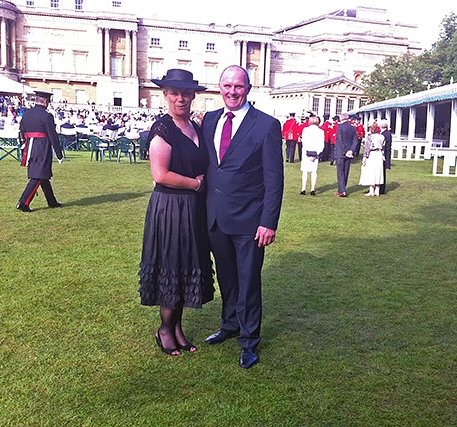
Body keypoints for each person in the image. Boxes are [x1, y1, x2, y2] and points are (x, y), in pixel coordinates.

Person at [202, 65, 284, 369]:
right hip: (216, 219)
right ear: (219, 88)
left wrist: (269, 222)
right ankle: (230, 324)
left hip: (250, 222)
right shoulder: (209, 120)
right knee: (227, 278)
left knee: (249, 281)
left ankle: (249, 340)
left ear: (248, 88)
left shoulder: (266, 125)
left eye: (238, 86)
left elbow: (274, 179)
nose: (232, 92)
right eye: (227, 86)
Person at [137, 69, 214, 356]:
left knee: (185, 267)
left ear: (193, 95)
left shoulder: (195, 127)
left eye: (185, 93)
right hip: (170, 208)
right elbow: (160, 174)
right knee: (172, 266)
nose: (180, 98)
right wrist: (195, 184)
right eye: (174, 92)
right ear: (166, 95)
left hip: (192, 209)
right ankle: (165, 331)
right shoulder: (164, 128)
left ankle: (178, 328)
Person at [16, 90, 64, 212]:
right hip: (41, 147)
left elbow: (21, 130)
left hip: (29, 146)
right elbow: (53, 136)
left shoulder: (27, 113)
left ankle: (51, 201)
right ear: (46, 102)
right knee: (38, 175)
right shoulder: (47, 116)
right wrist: (59, 154)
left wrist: (23, 145)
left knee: (43, 175)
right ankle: (23, 203)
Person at [333, 112, 359, 197]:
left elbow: (340, 140)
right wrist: (351, 150)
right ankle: (342, 189)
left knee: (340, 172)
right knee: (346, 172)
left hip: (341, 152)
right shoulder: (352, 128)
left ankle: (342, 191)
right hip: (349, 153)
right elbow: (355, 141)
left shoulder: (340, 127)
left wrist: (345, 151)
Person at [299, 116, 325, 196]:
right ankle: (312, 189)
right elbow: (322, 145)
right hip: (315, 153)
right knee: (314, 172)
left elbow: (304, 142)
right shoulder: (321, 131)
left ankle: (303, 188)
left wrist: (307, 153)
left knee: (305, 171)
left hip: (306, 153)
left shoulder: (305, 130)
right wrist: (317, 153)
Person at [359, 121, 385, 196]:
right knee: (378, 172)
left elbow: (367, 148)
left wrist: (364, 157)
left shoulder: (370, 136)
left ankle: (371, 190)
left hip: (372, 154)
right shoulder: (381, 136)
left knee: (372, 172)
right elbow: (383, 146)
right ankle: (377, 190)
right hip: (379, 154)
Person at [379, 119, 392, 195]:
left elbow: (386, 147)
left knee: (382, 172)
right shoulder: (385, 133)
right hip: (384, 154)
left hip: (384, 154)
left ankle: (382, 189)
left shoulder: (385, 134)